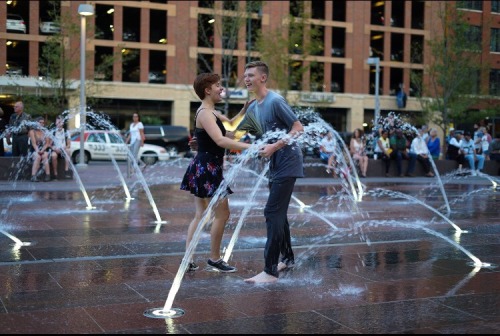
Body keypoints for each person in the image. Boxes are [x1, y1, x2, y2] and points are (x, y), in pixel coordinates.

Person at [236, 61, 304, 284]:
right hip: (274, 165)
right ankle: (288, 259)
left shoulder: (275, 101)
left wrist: (275, 147)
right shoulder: (254, 106)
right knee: (279, 214)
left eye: (251, 75)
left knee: (271, 212)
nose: (246, 79)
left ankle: (270, 270)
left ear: (263, 78)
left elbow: (298, 128)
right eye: (245, 76)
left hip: (288, 162)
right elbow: (241, 136)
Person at [180, 73, 252, 273]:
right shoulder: (205, 113)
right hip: (208, 168)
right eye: (218, 85)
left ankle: (188, 258)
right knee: (222, 213)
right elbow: (221, 141)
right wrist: (251, 147)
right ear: (207, 90)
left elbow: (228, 132)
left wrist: (243, 112)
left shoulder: (209, 113)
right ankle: (214, 258)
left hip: (204, 166)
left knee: (200, 214)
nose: (221, 89)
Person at [29, 116, 52, 182]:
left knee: (45, 156)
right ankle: (33, 176)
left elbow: (47, 143)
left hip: (44, 149)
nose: (41, 124)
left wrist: (42, 150)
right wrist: (38, 151)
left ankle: (48, 175)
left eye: (43, 123)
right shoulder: (32, 131)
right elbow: (33, 143)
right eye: (40, 122)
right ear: (36, 123)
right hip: (34, 149)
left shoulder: (45, 131)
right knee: (38, 157)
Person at [49, 115, 72, 180]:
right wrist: (54, 148)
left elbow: (69, 144)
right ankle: (55, 173)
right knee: (53, 156)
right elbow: (49, 144)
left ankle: (66, 170)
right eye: (58, 121)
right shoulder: (53, 132)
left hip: (63, 149)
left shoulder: (66, 132)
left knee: (68, 151)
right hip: (55, 150)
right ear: (55, 123)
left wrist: (63, 148)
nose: (59, 123)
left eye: (60, 121)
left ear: (63, 123)